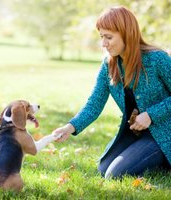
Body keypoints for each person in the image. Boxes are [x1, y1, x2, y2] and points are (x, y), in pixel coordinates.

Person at [52, 6, 171, 178]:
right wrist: (70, 127)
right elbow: (94, 104)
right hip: (136, 133)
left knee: (115, 174)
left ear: (127, 34)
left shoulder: (157, 59)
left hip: (164, 132)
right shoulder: (109, 65)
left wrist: (151, 115)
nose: (103, 43)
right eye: (101, 37)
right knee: (103, 170)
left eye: (109, 37)